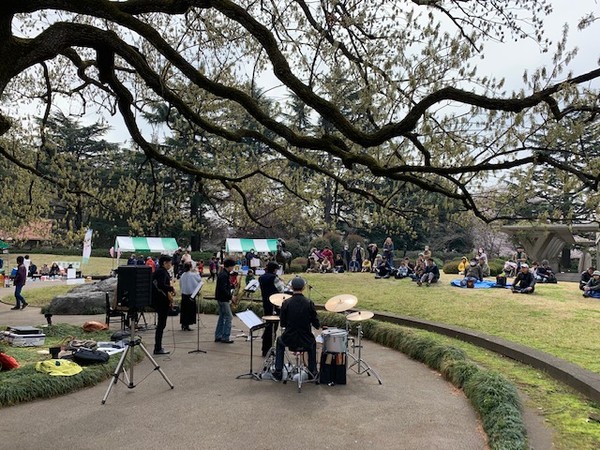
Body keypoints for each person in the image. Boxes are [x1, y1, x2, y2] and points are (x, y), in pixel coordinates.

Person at [272, 277, 320, 381]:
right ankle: (313, 371)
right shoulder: (309, 303)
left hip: (289, 339)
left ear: (291, 287)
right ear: (303, 288)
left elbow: (283, 323)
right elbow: (316, 324)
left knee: (279, 342)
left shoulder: (286, 303)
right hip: (306, 339)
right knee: (313, 343)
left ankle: (278, 371)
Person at [152, 255, 175, 354]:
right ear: (164, 263)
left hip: (160, 300)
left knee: (161, 324)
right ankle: (158, 347)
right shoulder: (162, 272)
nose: (170, 264)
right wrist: (171, 288)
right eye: (169, 263)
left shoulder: (159, 271)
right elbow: (161, 285)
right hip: (161, 301)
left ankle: (158, 346)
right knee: (161, 324)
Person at [259, 261, 282, 356]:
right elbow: (281, 290)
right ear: (274, 269)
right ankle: (270, 349)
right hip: (275, 305)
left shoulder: (261, 277)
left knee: (268, 326)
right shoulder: (274, 278)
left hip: (266, 303)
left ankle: (265, 348)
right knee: (273, 328)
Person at [214, 258, 237, 344]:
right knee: (229, 317)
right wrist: (231, 297)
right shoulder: (224, 275)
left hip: (221, 298)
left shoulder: (223, 273)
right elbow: (223, 288)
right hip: (223, 299)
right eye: (233, 267)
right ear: (230, 266)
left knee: (222, 317)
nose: (233, 269)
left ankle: (218, 335)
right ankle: (225, 337)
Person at [179, 261, 201, 331]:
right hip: (191, 295)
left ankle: (184, 324)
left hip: (184, 294)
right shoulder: (193, 275)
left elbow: (180, 285)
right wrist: (196, 271)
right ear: (190, 267)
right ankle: (187, 324)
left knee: (184, 310)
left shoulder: (182, 275)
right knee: (190, 310)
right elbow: (199, 279)